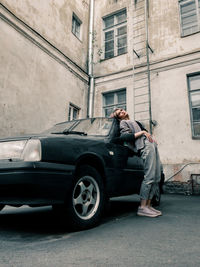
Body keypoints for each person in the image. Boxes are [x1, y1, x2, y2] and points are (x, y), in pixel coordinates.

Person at [112, 108, 162, 218]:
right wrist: (143, 132)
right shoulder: (123, 122)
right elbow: (125, 137)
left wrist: (152, 138)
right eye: (119, 112)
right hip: (145, 146)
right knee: (149, 176)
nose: (122, 111)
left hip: (152, 146)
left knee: (156, 177)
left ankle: (148, 205)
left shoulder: (134, 121)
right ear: (118, 117)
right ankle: (143, 207)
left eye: (122, 110)